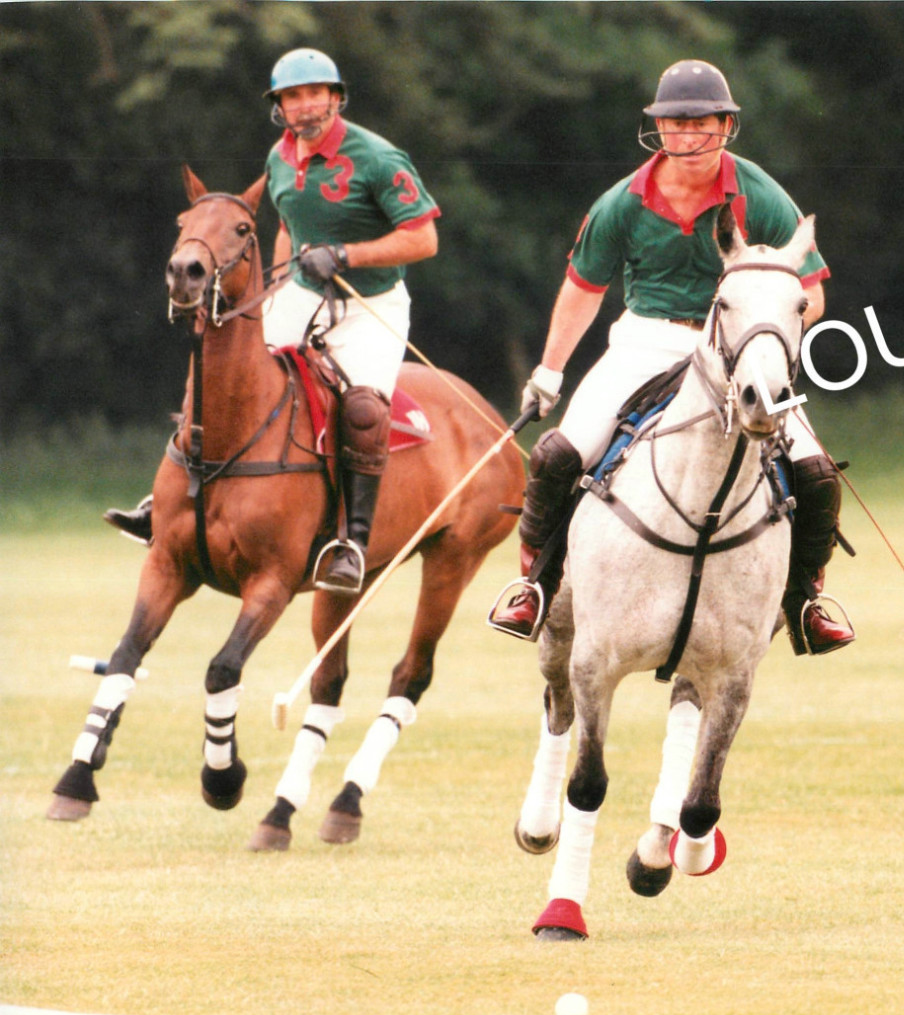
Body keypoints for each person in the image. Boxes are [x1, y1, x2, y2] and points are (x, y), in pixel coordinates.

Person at [490, 60, 853, 656]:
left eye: (701, 124)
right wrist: (549, 371)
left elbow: (809, 293)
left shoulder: (759, 196)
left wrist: (765, 333)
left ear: (726, 125)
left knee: (814, 473)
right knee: (559, 455)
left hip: (734, 350)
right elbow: (584, 290)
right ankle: (534, 584)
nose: (686, 137)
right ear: (656, 130)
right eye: (674, 124)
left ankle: (805, 600)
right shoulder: (622, 204)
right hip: (645, 343)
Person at [106, 48, 441, 594]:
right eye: (292, 97)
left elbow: (423, 239)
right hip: (300, 292)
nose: (305, 106)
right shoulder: (281, 158)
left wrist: (346, 255)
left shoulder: (380, 159)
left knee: (360, 408)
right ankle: (168, 505)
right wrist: (279, 279)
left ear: (336, 98)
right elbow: (287, 226)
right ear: (279, 107)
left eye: (315, 94)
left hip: (370, 304)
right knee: (229, 371)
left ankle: (351, 542)